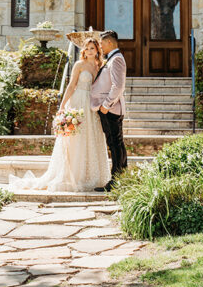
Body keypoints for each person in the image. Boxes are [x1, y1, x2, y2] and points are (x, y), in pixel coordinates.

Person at [8, 37, 110, 193]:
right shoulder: (79, 65)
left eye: (92, 48)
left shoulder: (99, 66)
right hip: (78, 103)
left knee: (92, 138)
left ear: (97, 50)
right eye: (87, 48)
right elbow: (71, 86)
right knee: (76, 139)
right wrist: (62, 106)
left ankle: (91, 176)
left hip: (92, 105)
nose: (90, 51)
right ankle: (74, 176)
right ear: (84, 50)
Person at [90, 30, 128, 192]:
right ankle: (122, 178)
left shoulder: (117, 59)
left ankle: (116, 181)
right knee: (116, 142)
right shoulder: (111, 58)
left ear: (110, 43)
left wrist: (106, 105)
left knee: (115, 143)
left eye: (102, 43)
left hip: (111, 109)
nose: (100, 46)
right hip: (108, 109)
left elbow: (118, 86)